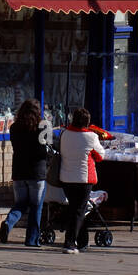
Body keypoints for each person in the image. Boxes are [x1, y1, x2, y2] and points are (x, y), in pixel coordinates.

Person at [0, 99, 50, 246]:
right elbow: (47, 148)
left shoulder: (14, 127)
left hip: (19, 171)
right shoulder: (43, 126)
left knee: (20, 204)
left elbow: (16, 146)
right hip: (37, 173)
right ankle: (32, 240)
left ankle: (9, 222)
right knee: (35, 207)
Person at [58, 107, 104, 255]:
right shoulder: (91, 137)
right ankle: (69, 243)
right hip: (84, 178)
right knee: (79, 211)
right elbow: (100, 155)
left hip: (66, 178)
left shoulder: (64, 134)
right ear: (87, 122)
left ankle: (82, 241)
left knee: (75, 209)